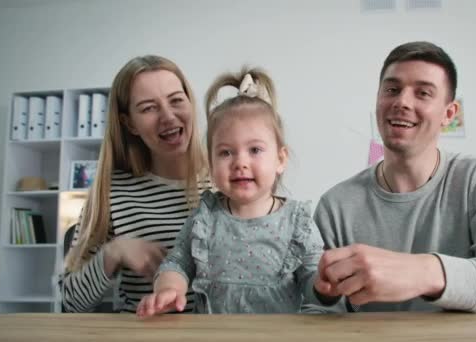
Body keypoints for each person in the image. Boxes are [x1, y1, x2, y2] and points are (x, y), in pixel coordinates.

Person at [313, 41, 476, 313]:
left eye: (423, 93)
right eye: (392, 90)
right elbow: (319, 310)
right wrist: (325, 296)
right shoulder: (335, 205)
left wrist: (423, 272)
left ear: (448, 114)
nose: (402, 102)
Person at [137, 67, 332, 317]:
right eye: (226, 152)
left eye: (255, 150)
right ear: (211, 162)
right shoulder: (205, 218)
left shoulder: (297, 222)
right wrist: (169, 288)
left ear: (280, 159)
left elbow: (312, 278)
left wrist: (325, 285)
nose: (240, 162)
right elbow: (178, 262)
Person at [61, 55, 210, 313]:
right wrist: (114, 252)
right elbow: (71, 301)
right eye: (148, 108)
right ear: (129, 123)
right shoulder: (112, 193)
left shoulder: (232, 179)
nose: (168, 116)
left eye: (176, 100)